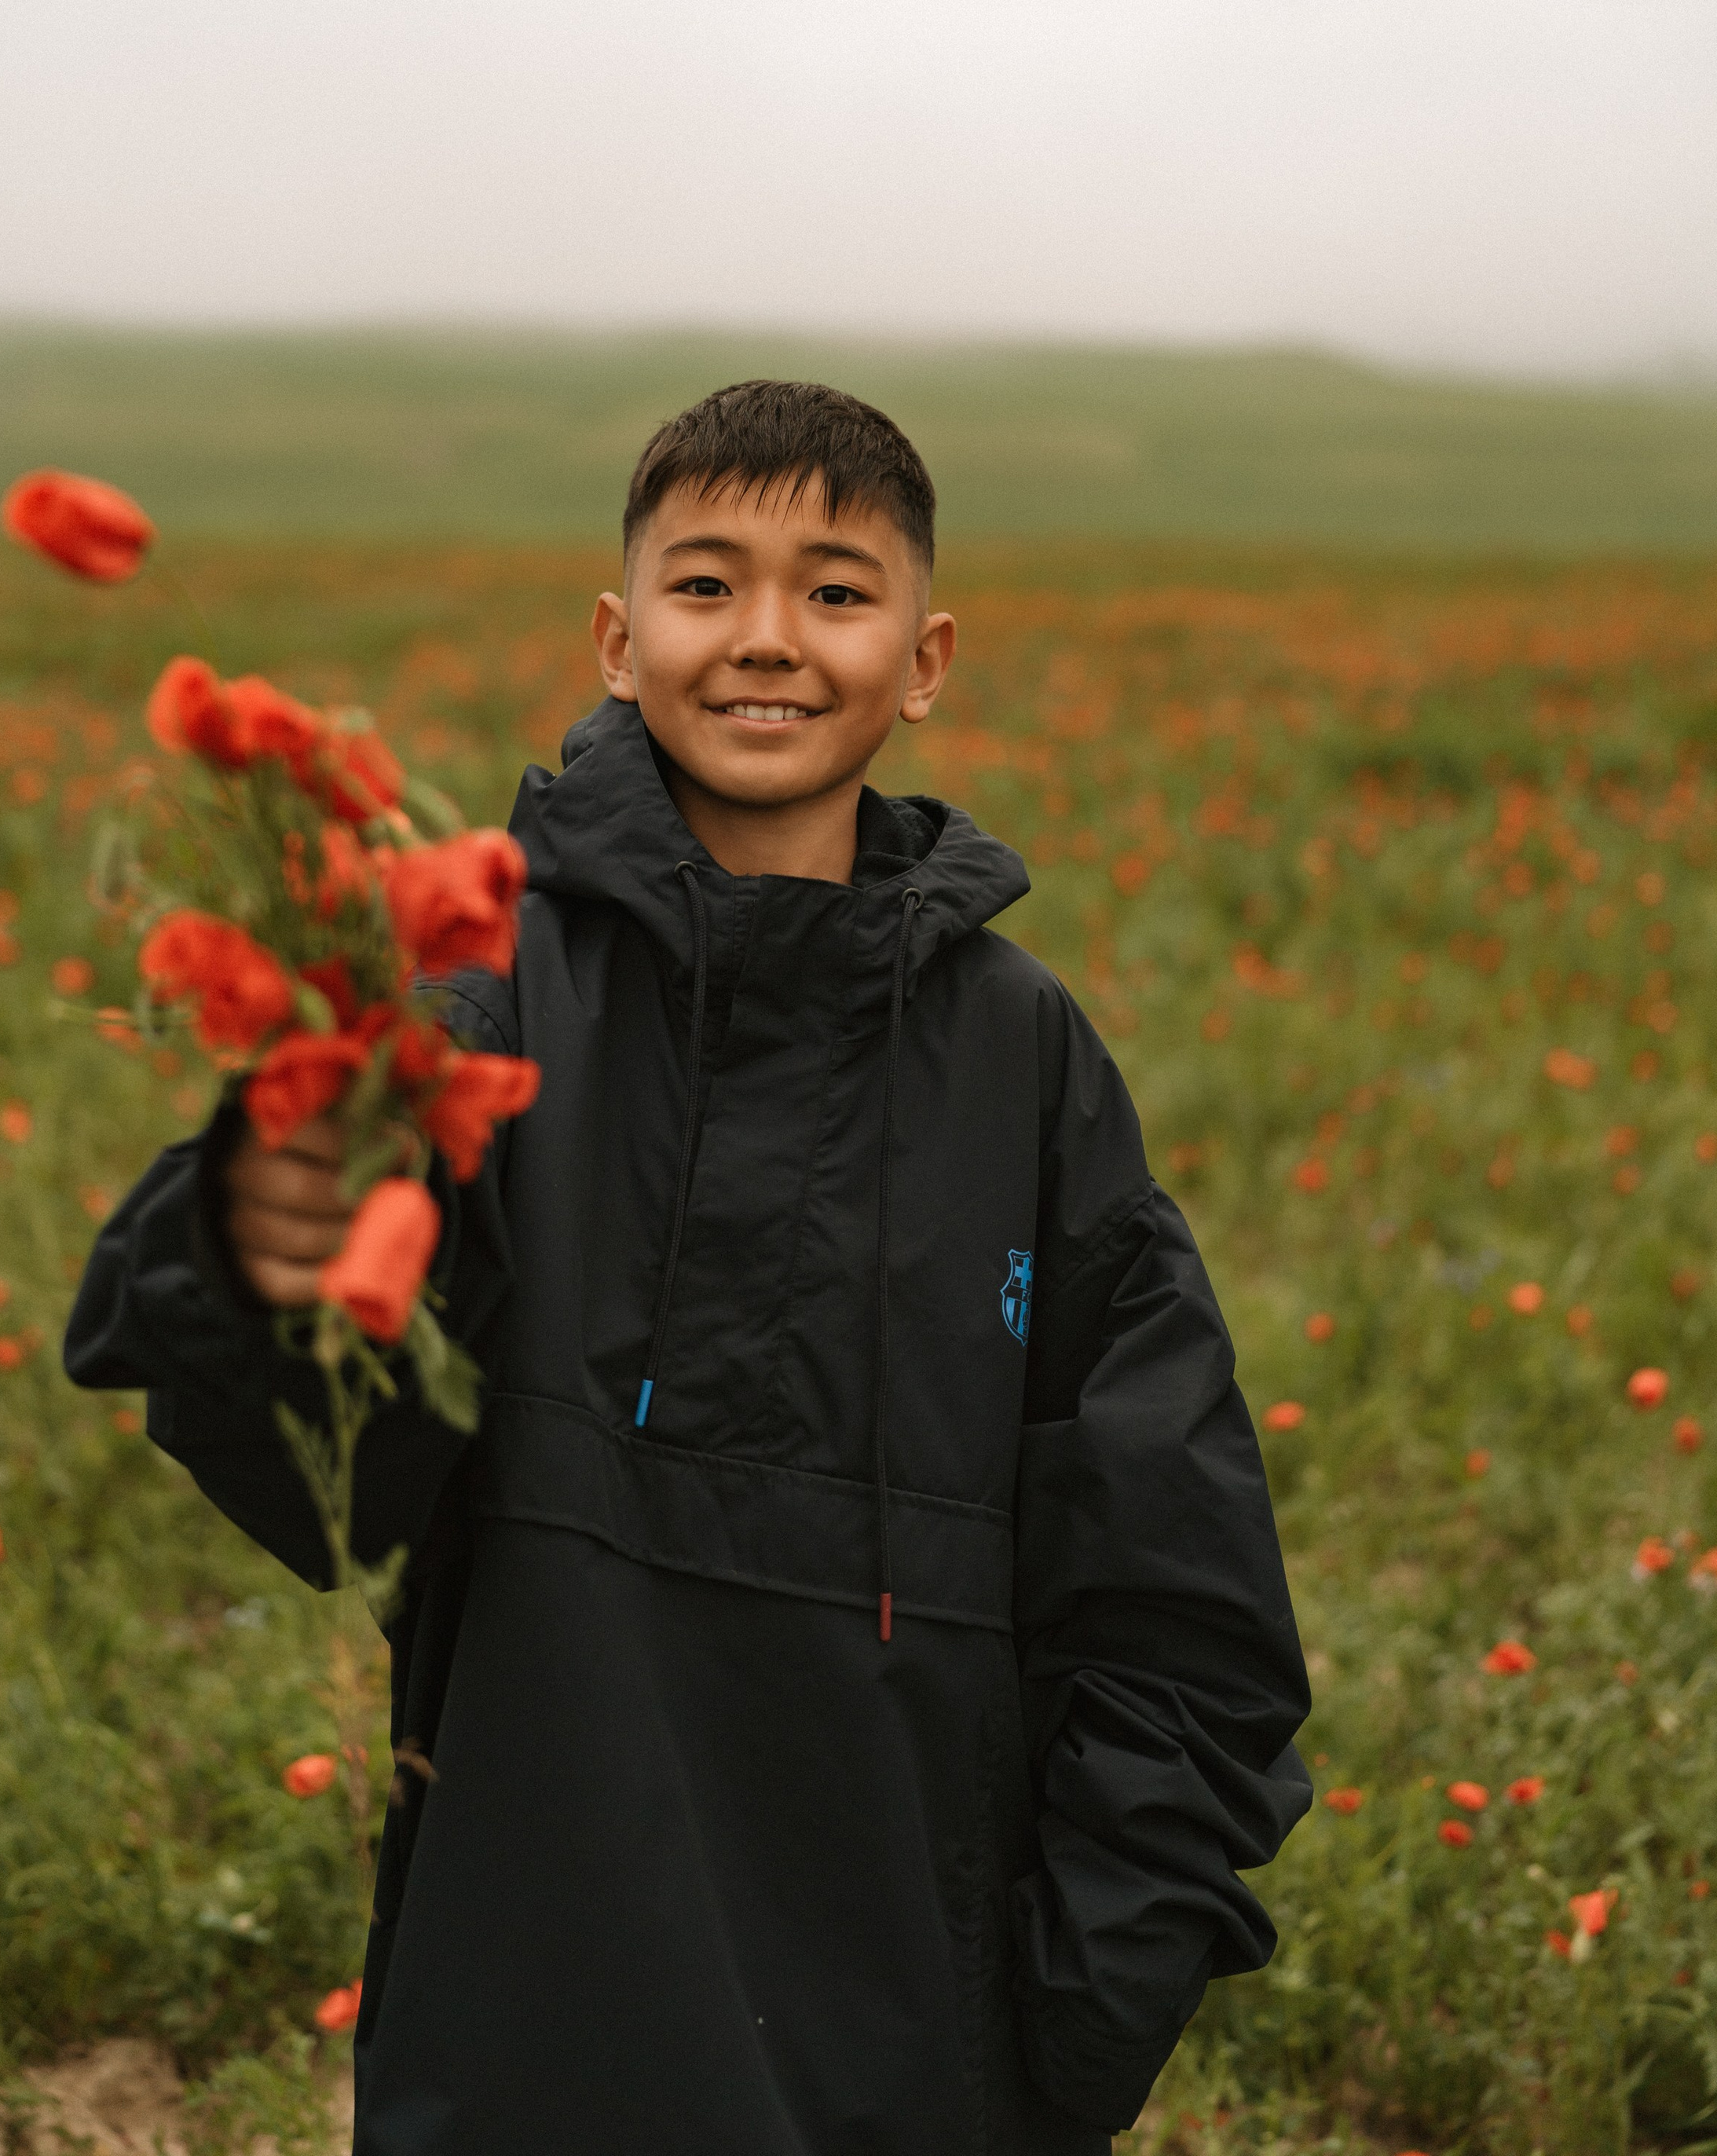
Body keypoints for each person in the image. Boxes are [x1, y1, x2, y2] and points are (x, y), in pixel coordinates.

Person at [65, 377, 1309, 2154]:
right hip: (525, 2027)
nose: (768, 642)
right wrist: (258, 1253)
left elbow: (1181, 1600)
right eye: (706, 584)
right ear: (615, 637)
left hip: (913, 2056)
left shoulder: (1023, 1064)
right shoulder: (485, 987)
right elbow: (330, 1472)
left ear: (928, 655)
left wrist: (1068, 2024)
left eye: (837, 589)